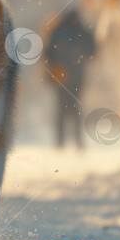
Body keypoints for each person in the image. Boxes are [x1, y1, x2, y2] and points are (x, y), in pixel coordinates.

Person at [45, 8, 96, 149]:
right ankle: (77, 141)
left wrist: (52, 67)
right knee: (75, 109)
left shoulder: (57, 31)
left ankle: (61, 142)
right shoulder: (82, 31)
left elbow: (47, 53)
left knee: (62, 109)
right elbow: (93, 52)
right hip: (76, 76)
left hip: (61, 76)